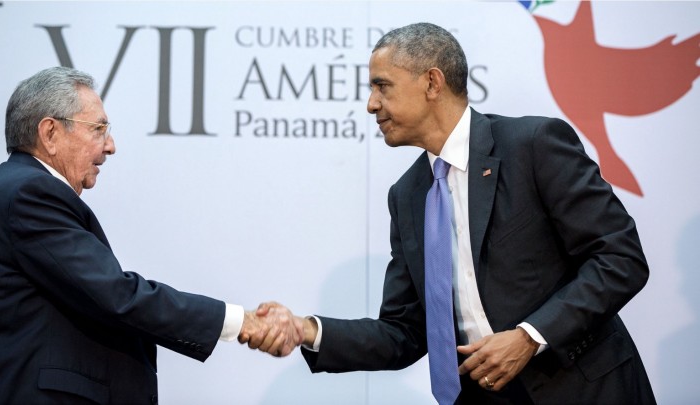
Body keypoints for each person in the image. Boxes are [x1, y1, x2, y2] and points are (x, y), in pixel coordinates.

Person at [281, 22, 656, 404]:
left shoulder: (533, 146)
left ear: (432, 83)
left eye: (382, 86)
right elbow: (404, 332)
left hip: (584, 391)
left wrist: (529, 336)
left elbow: (619, 258)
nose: (371, 104)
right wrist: (306, 330)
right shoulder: (407, 195)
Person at [0, 66, 301, 404]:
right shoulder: (28, 196)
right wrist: (240, 321)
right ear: (50, 133)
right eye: (98, 129)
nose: (111, 145)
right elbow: (117, 295)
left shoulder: (16, 191)